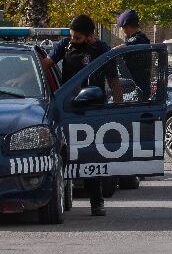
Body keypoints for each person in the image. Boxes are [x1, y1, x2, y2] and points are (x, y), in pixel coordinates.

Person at [39, 15, 121, 216]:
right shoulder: (65, 45)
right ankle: (63, 198)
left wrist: (118, 106)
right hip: (68, 108)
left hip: (92, 109)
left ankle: (97, 201)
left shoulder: (101, 50)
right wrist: (22, 74)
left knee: (90, 155)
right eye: (71, 36)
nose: (73, 40)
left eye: (77, 37)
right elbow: (46, 63)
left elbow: (113, 79)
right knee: (64, 154)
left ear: (90, 36)